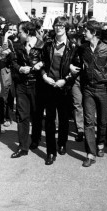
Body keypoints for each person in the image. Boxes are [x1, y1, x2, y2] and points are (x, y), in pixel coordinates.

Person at [71, 20, 107, 167]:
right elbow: (76, 62)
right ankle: (90, 154)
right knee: (89, 122)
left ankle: (101, 143)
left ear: (94, 33)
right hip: (88, 89)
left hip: (103, 89)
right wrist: (72, 66)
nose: (84, 32)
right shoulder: (82, 48)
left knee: (102, 121)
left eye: (86, 30)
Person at [40, 17, 78, 165]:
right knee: (49, 120)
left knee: (63, 118)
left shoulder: (73, 46)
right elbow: (42, 62)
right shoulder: (48, 44)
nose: (58, 28)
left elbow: (77, 68)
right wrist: (44, 76)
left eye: (61, 25)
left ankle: (62, 142)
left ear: (66, 27)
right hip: (49, 85)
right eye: (56, 25)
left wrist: (66, 80)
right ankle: (50, 152)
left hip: (64, 87)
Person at [7, 21, 45, 158]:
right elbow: (13, 62)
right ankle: (23, 147)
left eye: (20, 32)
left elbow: (49, 60)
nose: (18, 34)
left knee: (36, 115)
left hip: (37, 85)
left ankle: (35, 140)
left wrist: (41, 64)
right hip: (22, 85)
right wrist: (19, 68)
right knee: (22, 116)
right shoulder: (18, 46)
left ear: (27, 33)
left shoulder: (42, 45)